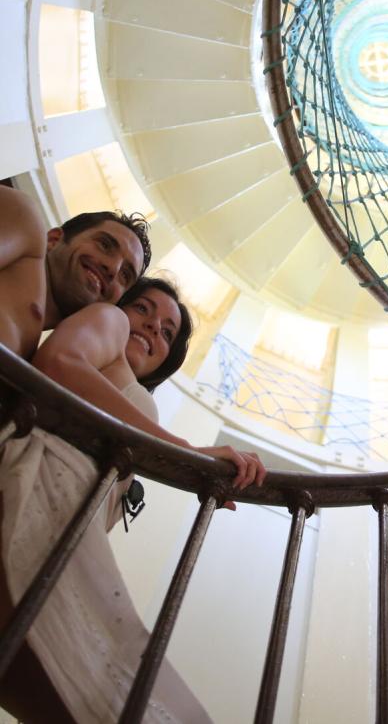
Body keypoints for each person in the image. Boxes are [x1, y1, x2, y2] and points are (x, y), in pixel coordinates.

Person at [0, 277, 266, 722]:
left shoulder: (132, 394)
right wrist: (185, 452)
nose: (151, 329)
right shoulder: (108, 321)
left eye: (167, 331)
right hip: (35, 488)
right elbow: (60, 362)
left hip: (66, 521)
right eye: (143, 308)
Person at [0, 184, 151, 361]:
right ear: (53, 240)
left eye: (125, 275)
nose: (113, 269)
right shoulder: (24, 216)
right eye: (104, 245)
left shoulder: (36, 357)